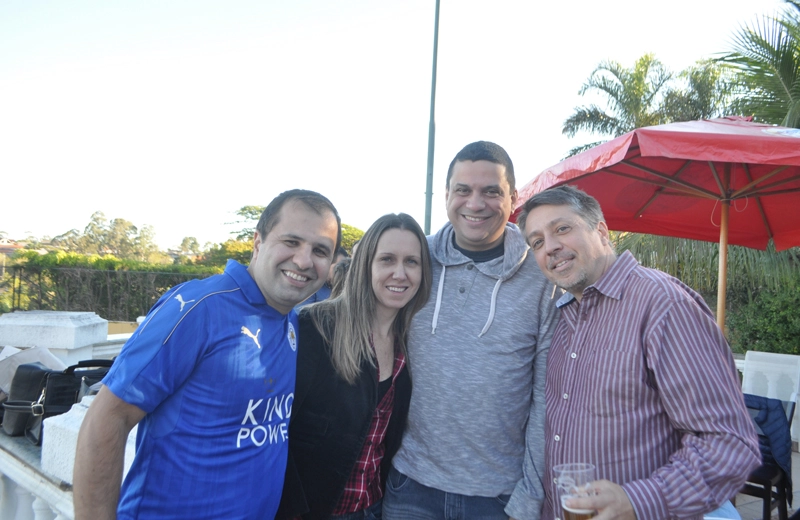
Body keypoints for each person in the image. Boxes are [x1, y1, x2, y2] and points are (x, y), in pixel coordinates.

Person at [73, 189, 342, 520]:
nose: (304, 260)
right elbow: (107, 418)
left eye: (320, 250)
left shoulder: (290, 321)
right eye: (291, 242)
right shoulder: (199, 308)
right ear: (258, 242)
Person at [517, 185, 760, 520]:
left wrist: (638, 501)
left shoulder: (663, 304)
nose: (551, 247)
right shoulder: (562, 318)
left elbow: (729, 443)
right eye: (537, 242)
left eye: (562, 228)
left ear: (601, 231)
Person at [383, 141, 559, 520]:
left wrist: (529, 498)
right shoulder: (416, 261)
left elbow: (545, 395)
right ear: (447, 195)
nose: (475, 204)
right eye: (463, 190)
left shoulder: (542, 277)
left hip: (497, 496)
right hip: (410, 484)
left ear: (514, 197)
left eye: (491, 192)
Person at [277, 213, 433, 520]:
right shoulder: (316, 327)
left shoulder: (411, 341)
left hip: (375, 508)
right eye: (387, 259)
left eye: (411, 262)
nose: (400, 274)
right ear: (366, 264)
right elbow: (278, 430)